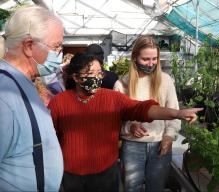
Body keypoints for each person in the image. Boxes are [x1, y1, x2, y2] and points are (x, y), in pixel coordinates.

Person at [48, 52, 203, 192]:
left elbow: (142, 109)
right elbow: (49, 137)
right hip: (71, 175)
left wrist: (177, 113)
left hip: (105, 173)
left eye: (99, 73)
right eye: (90, 74)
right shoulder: (59, 103)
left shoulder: (112, 98)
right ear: (75, 77)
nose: (96, 78)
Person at [0, 5, 64, 191]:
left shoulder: (23, 82)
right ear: (29, 46)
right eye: (56, 46)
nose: (59, 53)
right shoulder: (4, 95)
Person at [113, 35, 180, 192]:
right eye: (145, 59)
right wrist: (130, 126)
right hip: (132, 146)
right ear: (135, 57)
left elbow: (174, 112)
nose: (151, 64)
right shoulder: (122, 84)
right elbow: (116, 120)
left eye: (154, 59)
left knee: (156, 188)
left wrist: (169, 136)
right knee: (131, 188)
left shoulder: (165, 81)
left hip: (160, 143)